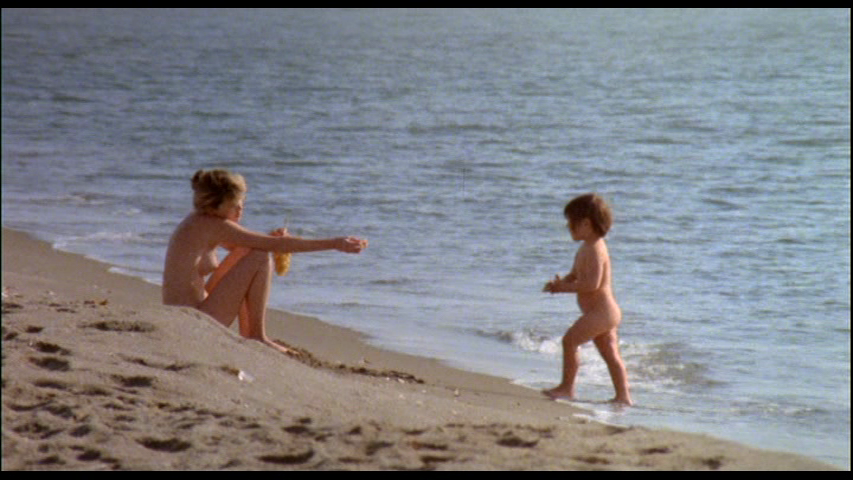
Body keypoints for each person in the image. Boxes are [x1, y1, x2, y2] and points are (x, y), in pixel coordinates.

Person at [162, 169, 367, 355]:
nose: (240, 210)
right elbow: (269, 246)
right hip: (192, 322)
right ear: (215, 204)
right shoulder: (213, 225)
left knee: (250, 252)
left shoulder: (198, 221)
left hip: (190, 314)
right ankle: (256, 336)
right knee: (260, 255)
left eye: (242, 204)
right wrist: (335, 243)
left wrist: (273, 240)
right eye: (235, 205)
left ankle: (249, 333)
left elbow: (246, 246)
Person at [542, 193, 632, 406]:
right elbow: (575, 274)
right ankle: (623, 397)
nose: (567, 227)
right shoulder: (585, 248)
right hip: (603, 313)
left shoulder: (595, 249)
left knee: (569, 341)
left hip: (602, 313)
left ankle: (567, 388)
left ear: (586, 224)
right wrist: (560, 283)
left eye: (571, 222)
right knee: (610, 354)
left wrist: (564, 289)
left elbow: (592, 284)